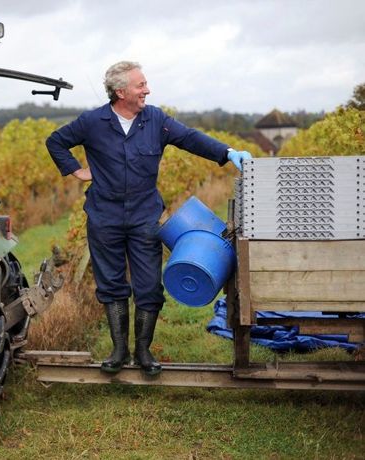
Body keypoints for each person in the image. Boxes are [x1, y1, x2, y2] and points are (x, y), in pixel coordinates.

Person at [46, 61, 251, 375]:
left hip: (145, 217)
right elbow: (56, 141)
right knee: (111, 285)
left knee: (149, 286)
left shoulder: (155, 120)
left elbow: (190, 138)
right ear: (121, 91)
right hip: (104, 217)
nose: (147, 90)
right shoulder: (93, 122)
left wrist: (227, 152)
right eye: (140, 85)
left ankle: (143, 351)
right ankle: (118, 351)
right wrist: (76, 170)